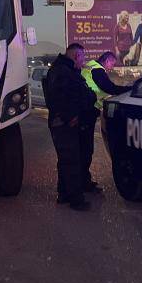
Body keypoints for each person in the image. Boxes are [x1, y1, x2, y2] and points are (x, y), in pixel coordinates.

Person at [43, 43, 96, 211]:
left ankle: (64, 194)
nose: (84, 60)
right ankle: (75, 200)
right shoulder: (64, 73)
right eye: (82, 57)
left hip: (63, 122)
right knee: (71, 161)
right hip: (64, 124)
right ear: (76, 56)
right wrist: (70, 117)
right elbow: (62, 98)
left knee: (66, 161)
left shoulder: (63, 70)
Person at [80, 52, 132, 192]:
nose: (111, 67)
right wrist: (129, 90)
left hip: (84, 109)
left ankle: (81, 181)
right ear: (107, 60)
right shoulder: (98, 70)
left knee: (82, 150)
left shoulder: (89, 66)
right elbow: (109, 88)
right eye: (112, 63)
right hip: (87, 111)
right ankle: (82, 183)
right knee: (85, 150)